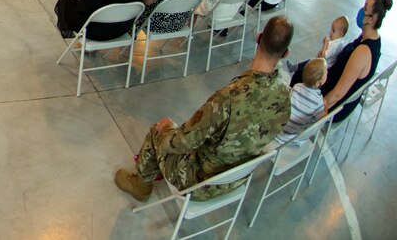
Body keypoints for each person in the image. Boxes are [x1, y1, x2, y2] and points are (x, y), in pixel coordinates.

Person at [114, 16, 293, 203]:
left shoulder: (228, 98)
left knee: (158, 131)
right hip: (236, 179)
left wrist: (166, 130)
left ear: (258, 37)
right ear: (286, 53)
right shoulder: (285, 97)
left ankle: (141, 185)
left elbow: (183, 142)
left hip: (200, 183)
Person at [293, 0, 390, 123]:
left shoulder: (363, 52)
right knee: (304, 71)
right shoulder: (370, 37)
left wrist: (316, 113)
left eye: (365, 8)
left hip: (336, 104)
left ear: (370, 20)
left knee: (299, 78)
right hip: (333, 80)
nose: (361, 10)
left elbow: (337, 94)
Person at [273, 58, 326, 147]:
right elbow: (320, 121)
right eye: (326, 72)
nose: (327, 73)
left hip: (276, 131)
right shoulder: (318, 101)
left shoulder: (297, 86)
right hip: (290, 140)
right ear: (318, 83)